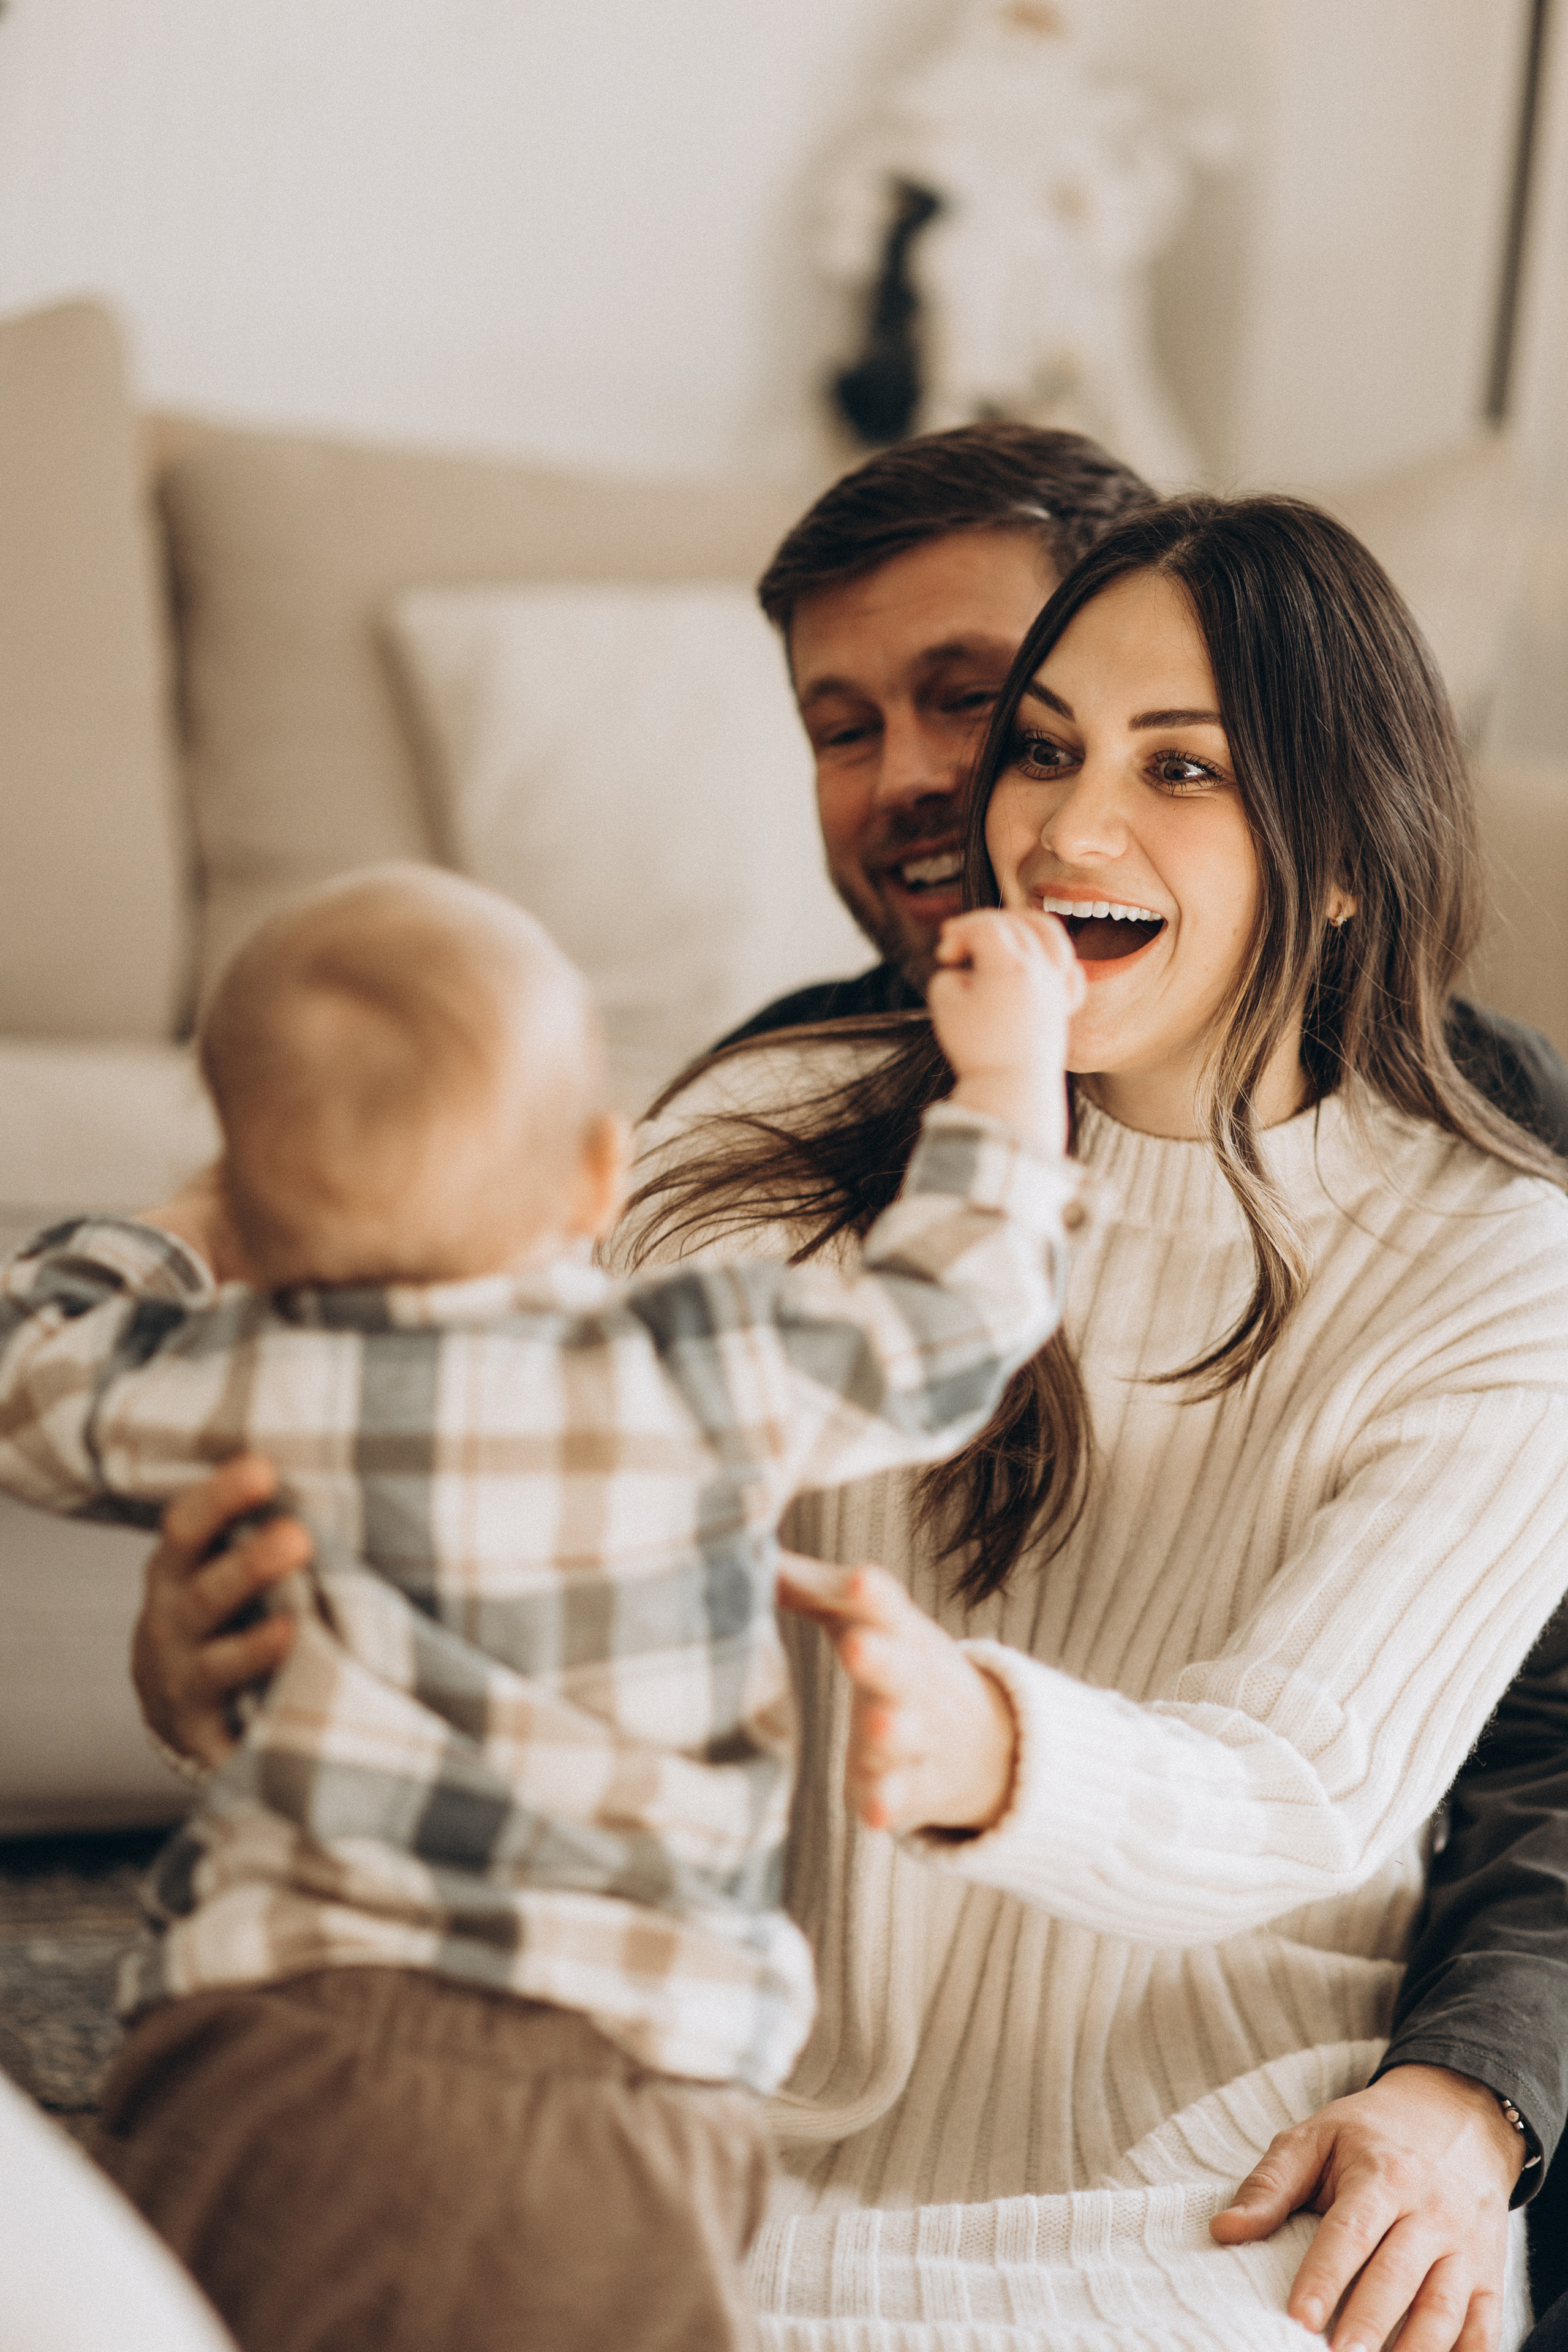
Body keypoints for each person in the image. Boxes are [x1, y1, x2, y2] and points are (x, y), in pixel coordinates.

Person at [131, 432, 1568, 2345]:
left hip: (1209, 2162)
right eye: (1039, 749)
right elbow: (455, 1501)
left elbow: (1318, 1781)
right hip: (696, 2114)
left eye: (1178, 766)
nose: (1052, 825)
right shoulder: (765, 1126)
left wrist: (995, 1751)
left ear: (1348, 857)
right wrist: (229, 1656)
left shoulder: (1502, 1249)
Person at [0, 864, 1087, 2352]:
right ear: (597, 1176)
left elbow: (29, 1371)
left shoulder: (242, 1375)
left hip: (265, 2037)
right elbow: (951, 1324)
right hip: (619, 2073)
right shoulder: (693, 1368)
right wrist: (1011, 1077)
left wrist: (190, 1228)